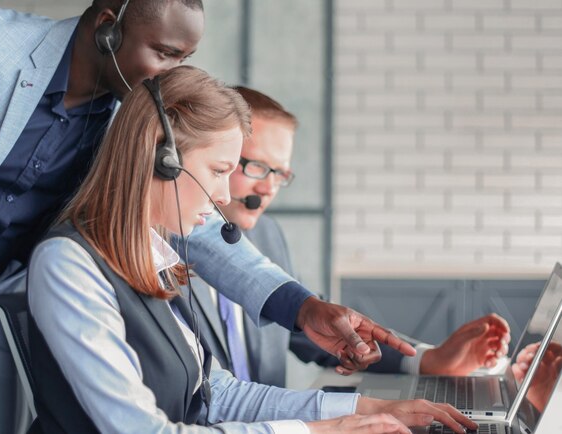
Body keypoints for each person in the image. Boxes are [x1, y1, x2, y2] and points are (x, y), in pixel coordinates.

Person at [0, 2, 419, 432]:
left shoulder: (134, 125)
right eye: (164, 53)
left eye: (182, 60)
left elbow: (199, 217)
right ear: (108, 28)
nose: (167, 74)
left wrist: (302, 308)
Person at [28, 65, 476, 434]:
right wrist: (321, 431)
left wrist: (364, 410)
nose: (225, 194)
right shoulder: (68, 264)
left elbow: (217, 394)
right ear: (161, 158)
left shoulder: (154, 256)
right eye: (220, 169)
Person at [187, 86, 512, 386]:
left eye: (280, 174)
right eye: (256, 166)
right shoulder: (168, 243)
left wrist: (427, 359)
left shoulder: (268, 235)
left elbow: (308, 330)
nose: (268, 188)